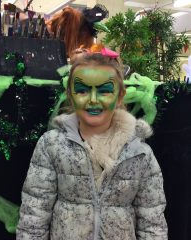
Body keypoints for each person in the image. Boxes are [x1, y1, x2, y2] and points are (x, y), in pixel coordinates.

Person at [16, 52, 168, 239]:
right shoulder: (52, 145)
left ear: (120, 96)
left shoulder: (139, 152)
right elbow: (34, 214)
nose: (93, 99)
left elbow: (152, 222)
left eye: (104, 91)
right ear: (70, 95)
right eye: (82, 90)